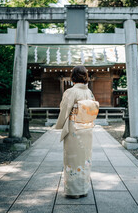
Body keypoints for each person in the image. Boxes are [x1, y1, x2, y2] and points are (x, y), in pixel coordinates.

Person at [55, 65, 99, 199]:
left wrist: (59, 125)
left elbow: (64, 110)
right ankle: (83, 189)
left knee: (73, 159)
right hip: (87, 128)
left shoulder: (70, 92)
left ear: (73, 76)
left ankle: (74, 192)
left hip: (74, 129)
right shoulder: (89, 93)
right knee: (85, 159)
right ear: (85, 76)